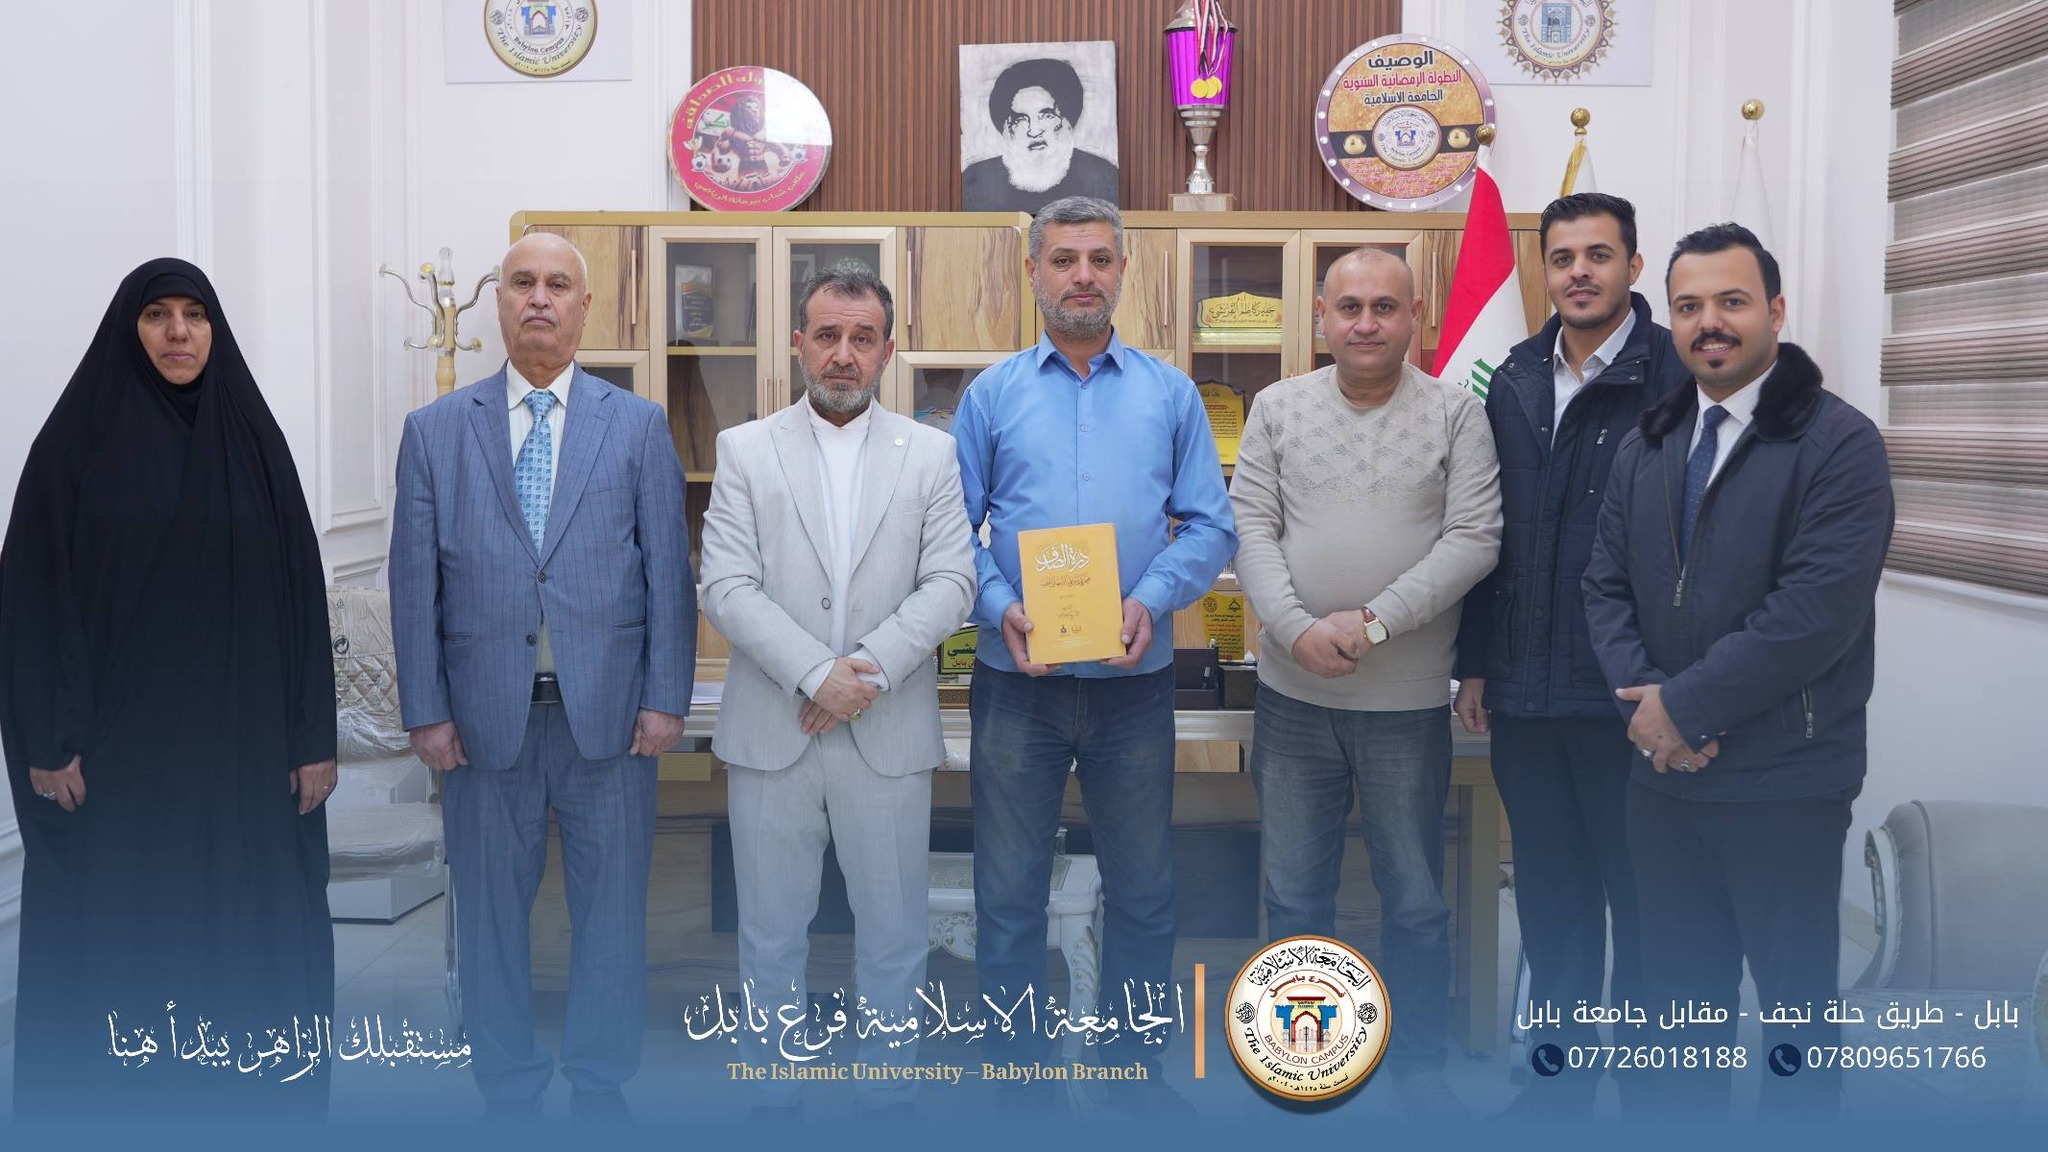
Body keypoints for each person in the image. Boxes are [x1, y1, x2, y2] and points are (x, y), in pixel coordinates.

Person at [0, 258, 337, 1118]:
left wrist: (312, 739)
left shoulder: (254, 444)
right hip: (121, 765)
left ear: (216, 328)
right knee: (128, 940)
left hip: (243, 755)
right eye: (157, 315)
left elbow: (301, 597)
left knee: (243, 938)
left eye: (195, 314)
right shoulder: (72, 449)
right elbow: (34, 600)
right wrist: (47, 741)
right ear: (130, 328)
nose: (179, 332)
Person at [1583, 223, 1894, 1119]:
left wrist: (1681, 709)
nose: (1708, 322)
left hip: (1785, 782)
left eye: (1732, 301)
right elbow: (1604, 585)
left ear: (1776, 311)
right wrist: (1651, 713)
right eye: (1688, 306)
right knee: (1676, 1013)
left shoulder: (1840, 443)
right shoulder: (1650, 440)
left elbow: (1814, 614)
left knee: (1794, 1019)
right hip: (1664, 785)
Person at [389, 232, 695, 1122]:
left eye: (559, 284)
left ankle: (599, 1082)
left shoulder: (635, 425)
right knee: (488, 914)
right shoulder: (435, 432)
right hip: (482, 724)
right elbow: (413, 583)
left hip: (610, 722)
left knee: (612, 915)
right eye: (522, 282)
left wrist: (664, 698)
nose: (539, 298)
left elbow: (668, 574)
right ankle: (508, 1086)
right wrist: (425, 711)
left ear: (584, 307)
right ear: (498, 302)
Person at [952, 196, 1235, 1113]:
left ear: (1122, 271)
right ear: (1033, 270)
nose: (1083, 275)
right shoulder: (991, 395)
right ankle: (1015, 1076)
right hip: (1017, 683)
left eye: (1100, 259)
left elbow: (1209, 525)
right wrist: (1003, 609)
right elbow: (951, 533)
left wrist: (1148, 600)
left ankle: (1132, 1074)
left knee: (1145, 891)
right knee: (1008, 893)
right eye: (1064, 258)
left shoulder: (1171, 393)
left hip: (1132, 684)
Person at [1229, 247, 1501, 1116]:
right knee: (1293, 895)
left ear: (1416, 317)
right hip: (1292, 701)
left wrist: (1372, 620)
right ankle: (1305, 1061)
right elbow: (1251, 530)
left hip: (1405, 705)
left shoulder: (1458, 414)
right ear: (1321, 316)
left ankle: (1417, 1066)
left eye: (1386, 306)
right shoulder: (1276, 408)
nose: (1367, 323)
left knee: (1414, 899)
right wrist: (1296, 628)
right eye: (1349, 307)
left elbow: (1475, 539)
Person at [699, 263, 975, 1118]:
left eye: (862, 338)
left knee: (893, 934)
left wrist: (865, 671)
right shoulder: (745, 449)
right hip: (772, 731)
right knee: (769, 935)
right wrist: (818, 674)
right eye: (827, 336)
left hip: (886, 736)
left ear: (887, 350)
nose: (843, 355)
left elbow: (953, 582)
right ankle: (774, 1090)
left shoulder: (931, 453)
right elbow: (726, 585)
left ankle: (887, 1092)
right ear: (798, 344)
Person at [1450, 193, 1686, 1114]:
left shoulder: (1678, 377)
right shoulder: (1512, 376)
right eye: (1562, 257)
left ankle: (1647, 1095)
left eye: (1598, 254)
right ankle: (1557, 1089)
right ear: (1543, 270)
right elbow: (1487, 530)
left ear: (1634, 266)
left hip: (1634, 692)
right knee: (1552, 903)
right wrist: (1476, 658)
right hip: (1525, 687)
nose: (1579, 272)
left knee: (1645, 904)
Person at [961, 57, 1120, 213]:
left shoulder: (1102, 176)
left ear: (1065, 120)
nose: (1034, 131)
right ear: (1008, 127)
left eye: (1046, 115)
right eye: (1021, 119)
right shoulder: (977, 180)